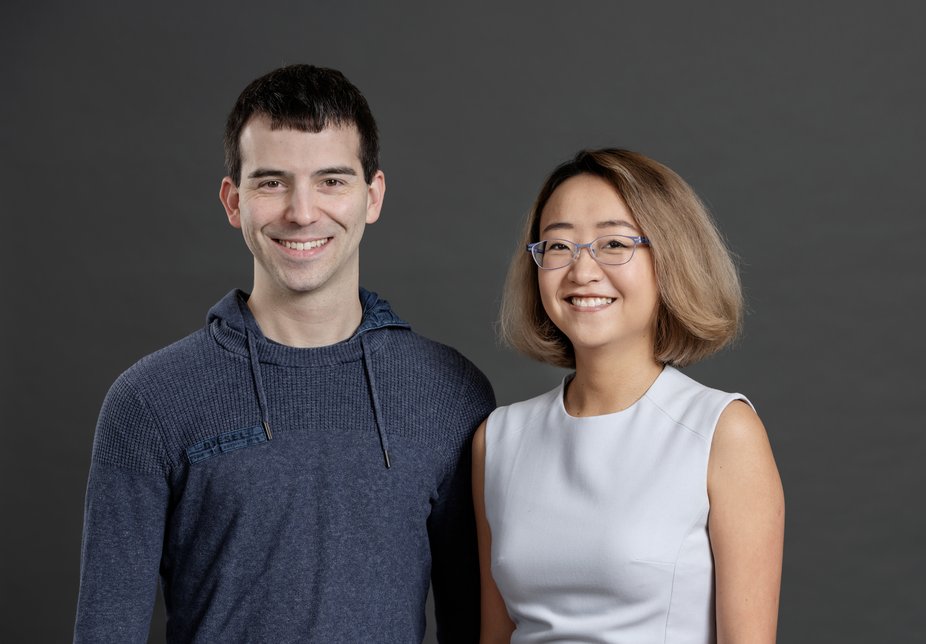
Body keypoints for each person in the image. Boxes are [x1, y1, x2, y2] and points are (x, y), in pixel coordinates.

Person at [74, 64, 494, 643]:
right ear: (233, 200)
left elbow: (472, 625)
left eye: (331, 181)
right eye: (271, 182)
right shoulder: (150, 401)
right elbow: (105, 631)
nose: (301, 212)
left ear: (371, 197)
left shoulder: (450, 393)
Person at [473, 149, 784, 643]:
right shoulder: (499, 438)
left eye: (613, 243)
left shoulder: (721, 431)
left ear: (670, 258)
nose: (581, 271)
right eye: (558, 247)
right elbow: (495, 634)